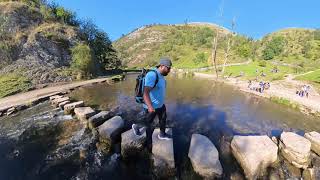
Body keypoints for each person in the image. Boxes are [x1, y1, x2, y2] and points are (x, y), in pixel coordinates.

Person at [132, 58, 172, 140]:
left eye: (170, 68)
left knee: (163, 119)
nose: (169, 70)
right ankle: (136, 126)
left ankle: (162, 134)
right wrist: (150, 107)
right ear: (162, 66)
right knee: (148, 122)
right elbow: (145, 93)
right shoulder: (152, 75)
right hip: (152, 106)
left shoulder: (161, 76)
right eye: (168, 68)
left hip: (160, 105)